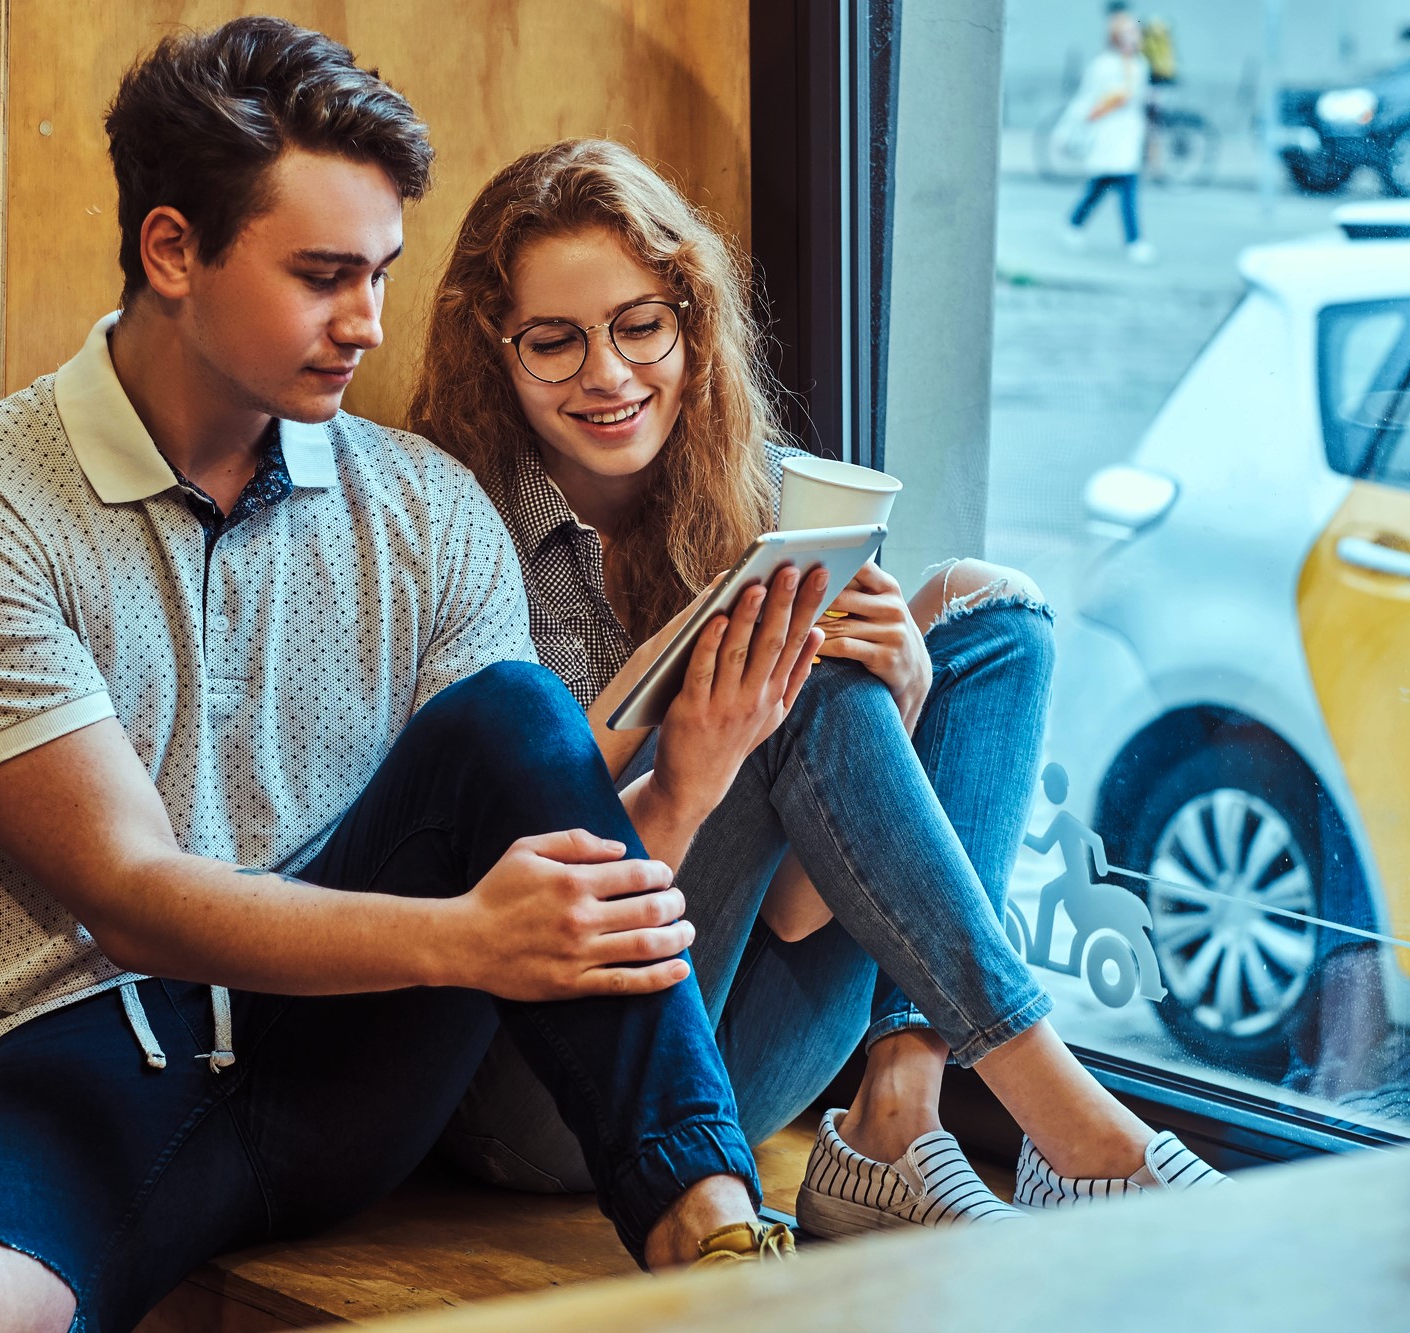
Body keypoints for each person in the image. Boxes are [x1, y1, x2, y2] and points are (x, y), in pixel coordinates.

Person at [0, 22, 807, 1332]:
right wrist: (467, 938)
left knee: (516, 715)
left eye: (380, 274)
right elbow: (130, 897)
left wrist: (688, 780)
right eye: (323, 276)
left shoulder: (428, 506)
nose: (369, 323)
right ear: (173, 250)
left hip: (355, 1061)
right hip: (64, 1059)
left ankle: (717, 1237)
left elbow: (531, 817)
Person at [407, 137, 1227, 1239]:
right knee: (781, 673)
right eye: (552, 342)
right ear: (494, 354)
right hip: (547, 1093)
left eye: (637, 325)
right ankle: (1084, 1134)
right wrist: (702, 709)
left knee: (994, 617)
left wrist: (901, 693)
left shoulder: (733, 505)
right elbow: (467, 859)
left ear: (690, 326)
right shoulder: (448, 526)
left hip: (736, 1061)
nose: (605, 374)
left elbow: (799, 912)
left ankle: (895, 1118)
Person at [1057, 3, 1155, 263]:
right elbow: (1087, 99)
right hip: (1106, 135)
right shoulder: (1102, 65)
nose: (1132, 39)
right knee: (1102, 186)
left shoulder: (1140, 65)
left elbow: (1140, 102)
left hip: (1128, 136)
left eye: (1135, 33)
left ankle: (1131, 240)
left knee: (1120, 187)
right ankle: (1082, 225)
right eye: (1126, 34)